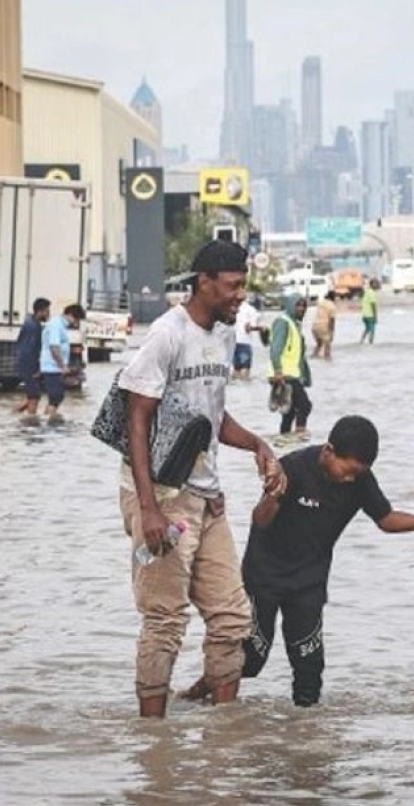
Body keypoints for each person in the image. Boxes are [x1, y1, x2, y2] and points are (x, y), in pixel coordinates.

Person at [117, 239, 283, 718]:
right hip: (163, 499)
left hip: (208, 499)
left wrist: (257, 444)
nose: (239, 297)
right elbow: (137, 419)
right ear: (203, 283)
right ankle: (153, 743)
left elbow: (209, 416)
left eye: (243, 287)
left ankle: (224, 736)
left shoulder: (225, 335)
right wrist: (147, 509)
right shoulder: (168, 335)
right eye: (232, 287)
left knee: (232, 617)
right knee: (165, 619)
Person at [237, 415, 414, 706]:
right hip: (264, 576)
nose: (351, 478)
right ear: (328, 451)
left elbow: (386, 519)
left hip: (309, 583)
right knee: (252, 659)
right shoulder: (293, 467)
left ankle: (307, 738)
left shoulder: (360, 480)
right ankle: (205, 693)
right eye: (348, 470)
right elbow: (260, 520)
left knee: (309, 668)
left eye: (358, 472)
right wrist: (273, 496)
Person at [270, 297, 313, 436]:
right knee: (304, 405)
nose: (301, 309)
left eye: (303, 306)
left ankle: (285, 440)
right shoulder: (283, 322)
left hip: (291, 373)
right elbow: (275, 348)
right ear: (290, 306)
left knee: (290, 411)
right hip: (284, 374)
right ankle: (300, 436)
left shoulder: (294, 324)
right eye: (298, 305)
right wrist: (278, 370)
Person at [38, 303, 84, 421]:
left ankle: (47, 418)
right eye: (76, 319)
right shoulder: (56, 325)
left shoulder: (60, 325)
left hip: (55, 367)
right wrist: (62, 366)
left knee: (57, 397)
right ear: (70, 315)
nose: (76, 323)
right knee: (56, 396)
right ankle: (48, 421)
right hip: (52, 367)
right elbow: (54, 348)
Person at [11, 298, 51, 414]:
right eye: (47, 311)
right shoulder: (33, 327)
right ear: (41, 311)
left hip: (25, 363)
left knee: (34, 395)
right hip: (28, 365)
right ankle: (31, 423)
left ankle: (14, 414)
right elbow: (29, 350)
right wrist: (36, 369)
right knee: (34, 397)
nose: (48, 314)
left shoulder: (31, 322)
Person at [233, 295, 262, 379]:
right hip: (244, 343)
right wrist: (261, 328)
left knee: (235, 371)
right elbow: (250, 327)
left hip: (232, 343)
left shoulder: (232, 308)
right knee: (244, 373)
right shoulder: (251, 310)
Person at [312, 290, 337, 361]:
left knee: (319, 345)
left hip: (315, 326)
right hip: (324, 327)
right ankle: (327, 362)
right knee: (327, 348)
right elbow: (332, 320)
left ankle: (313, 357)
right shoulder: (332, 306)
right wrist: (331, 332)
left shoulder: (320, 303)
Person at [359, 278, 379, 344]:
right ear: (372, 284)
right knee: (372, 331)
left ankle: (361, 341)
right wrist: (376, 316)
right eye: (376, 283)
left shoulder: (367, 292)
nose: (378, 285)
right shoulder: (372, 293)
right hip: (370, 315)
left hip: (365, 315)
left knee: (367, 329)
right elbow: (373, 305)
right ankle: (371, 344)